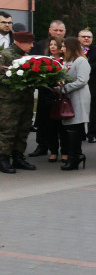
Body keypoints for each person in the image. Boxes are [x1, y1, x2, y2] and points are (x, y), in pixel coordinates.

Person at [0, 30, 38, 173]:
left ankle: (18, 157)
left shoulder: (27, 57)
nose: (32, 46)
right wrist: (17, 81)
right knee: (7, 131)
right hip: (9, 102)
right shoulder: (6, 55)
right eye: (29, 43)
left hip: (26, 100)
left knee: (23, 130)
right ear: (20, 41)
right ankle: (3, 159)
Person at [54, 38, 90, 170]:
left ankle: (74, 157)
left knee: (74, 126)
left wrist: (64, 88)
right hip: (70, 97)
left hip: (79, 97)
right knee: (71, 127)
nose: (61, 49)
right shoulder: (67, 61)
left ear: (71, 47)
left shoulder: (81, 61)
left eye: (64, 47)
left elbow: (82, 80)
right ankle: (77, 154)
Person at [31, 38, 65, 162]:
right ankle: (53, 151)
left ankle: (65, 151)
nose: (52, 47)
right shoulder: (45, 61)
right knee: (50, 126)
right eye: (51, 44)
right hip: (46, 97)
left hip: (61, 96)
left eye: (55, 44)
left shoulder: (65, 61)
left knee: (62, 127)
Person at [77, 29, 96, 144]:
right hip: (77, 85)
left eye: (89, 37)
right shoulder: (74, 50)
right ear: (78, 38)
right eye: (83, 36)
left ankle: (92, 134)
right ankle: (80, 133)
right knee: (78, 109)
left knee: (92, 110)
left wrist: (83, 67)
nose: (86, 38)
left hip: (91, 85)